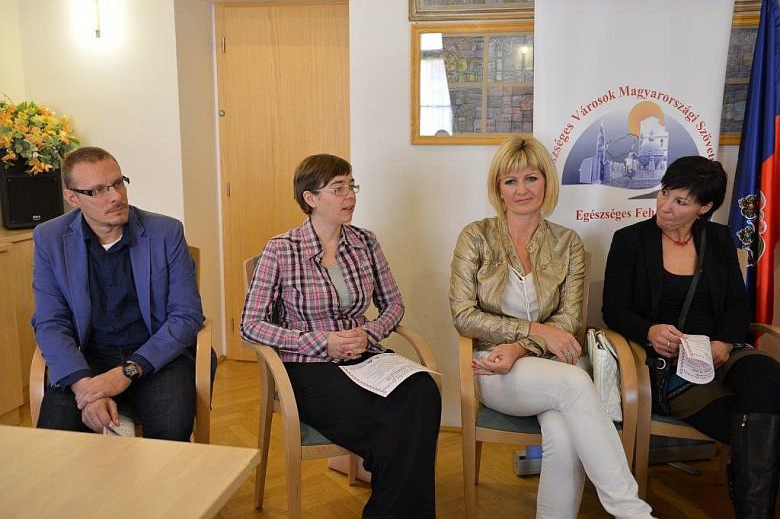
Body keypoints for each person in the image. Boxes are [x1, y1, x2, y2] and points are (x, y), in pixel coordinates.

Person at [450, 136, 653, 519]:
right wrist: (534, 331)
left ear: (547, 182)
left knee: (563, 433)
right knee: (576, 383)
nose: (522, 190)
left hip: (551, 361)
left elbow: (568, 321)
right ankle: (632, 512)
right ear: (498, 189)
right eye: (510, 181)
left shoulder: (568, 242)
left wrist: (521, 346)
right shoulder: (475, 236)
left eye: (531, 178)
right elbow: (464, 315)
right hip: (493, 366)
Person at [240, 154, 441, 519]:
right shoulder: (281, 249)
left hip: (364, 357)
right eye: (338, 189)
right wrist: (322, 342)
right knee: (395, 427)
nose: (350, 196)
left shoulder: (366, 242)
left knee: (423, 390)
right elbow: (251, 325)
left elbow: (394, 304)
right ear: (310, 198)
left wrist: (368, 333)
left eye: (352, 186)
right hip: (308, 365)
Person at [603, 155, 780, 518]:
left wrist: (724, 343)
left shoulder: (717, 239)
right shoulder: (630, 240)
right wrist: (649, 331)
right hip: (667, 365)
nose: (665, 206)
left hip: (720, 349)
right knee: (753, 425)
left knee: (768, 380)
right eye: (664, 192)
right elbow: (614, 310)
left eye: (680, 201)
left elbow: (737, 304)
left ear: (705, 207)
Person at [32, 146, 205, 441]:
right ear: (72, 198)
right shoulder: (50, 238)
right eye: (98, 190)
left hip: (157, 356)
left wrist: (126, 372)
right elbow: (51, 322)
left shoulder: (166, 232)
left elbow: (186, 316)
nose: (115, 196)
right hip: (87, 359)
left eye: (117, 183)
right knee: (54, 437)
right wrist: (85, 388)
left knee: (171, 430)